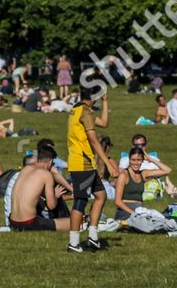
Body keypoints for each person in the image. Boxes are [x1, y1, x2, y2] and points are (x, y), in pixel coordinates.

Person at [65, 87, 113, 252]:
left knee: (101, 195)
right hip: (82, 163)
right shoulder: (85, 112)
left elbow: (104, 124)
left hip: (87, 163)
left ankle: (92, 237)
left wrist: (106, 101)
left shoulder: (78, 109)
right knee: (80, 201)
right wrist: (107, 162)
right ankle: (73, 242)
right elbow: (93, 140)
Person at [8, 144, 71, 232]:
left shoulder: (25, 169)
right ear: (50, 161)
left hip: (12, 222)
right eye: (53, 164)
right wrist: (56, 196)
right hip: (29, 223)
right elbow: (51, 205)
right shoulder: (46, 175)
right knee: (74, 222)